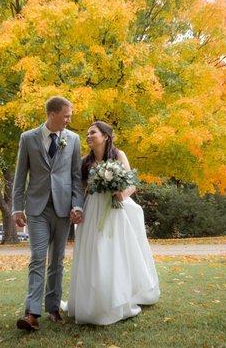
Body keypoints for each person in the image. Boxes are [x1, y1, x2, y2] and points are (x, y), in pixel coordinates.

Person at [63, 121, 160, 325]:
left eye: (93, 133)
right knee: (94, 252)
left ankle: (118, 299)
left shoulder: (118, 155)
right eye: (87, 133)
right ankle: (92, 302)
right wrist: (77, 208)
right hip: (92, 210)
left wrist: (121, 194)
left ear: (105, 136)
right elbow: (80, 189)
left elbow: (131, 183)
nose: (88, 136)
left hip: (114, 210)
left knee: (112, 252)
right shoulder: (84, 162)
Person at [12, 96, 85, 331]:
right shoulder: (28, 138)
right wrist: (16, 207)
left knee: (57, 260)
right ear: (52, 114)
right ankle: (31, 313)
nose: (69, 119)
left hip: (64, 209)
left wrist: (78, 205)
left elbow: (75, 176)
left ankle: (53, 307)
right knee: (38, 257)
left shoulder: (73, 139)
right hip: (37, 209)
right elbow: (20, 175)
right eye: (66, 115)